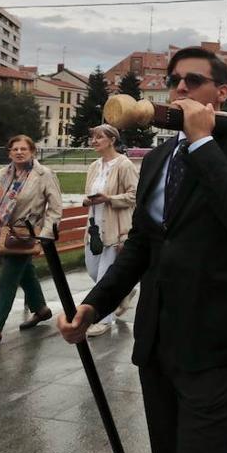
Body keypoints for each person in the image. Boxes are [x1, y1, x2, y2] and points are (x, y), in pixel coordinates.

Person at [57, 46, 227, 453]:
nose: (179, 88)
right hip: (158, 342)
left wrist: (202, 143)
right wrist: (93, 305)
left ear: (220, 93)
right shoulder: (155, 159)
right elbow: (140, 246)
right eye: (175, 79)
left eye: (193, 81)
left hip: (218, 343)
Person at [0, 134, 63, 353]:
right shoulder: (2, 174)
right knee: (24, 272)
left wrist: (45, 234)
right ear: (9, 152)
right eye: (15, 149)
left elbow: (56, 209)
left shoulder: (43, 175)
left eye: (24, 149)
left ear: (32, 151)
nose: (19, 152)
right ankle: (41, 309)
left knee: (8, 281)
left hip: (24, 236)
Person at [81, 123, 139, 336]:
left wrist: (110, 199)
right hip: (94, 228)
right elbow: (89, 192)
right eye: (92, 137)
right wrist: (88, 201)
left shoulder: (124, 165)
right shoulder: (94, 166)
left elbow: (136, 195)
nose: (94, 141)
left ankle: (104, 320)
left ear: (112, 140)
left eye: (99, 137)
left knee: (105, 276)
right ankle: (123, 294)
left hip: (115, 227)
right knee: (93, 270)